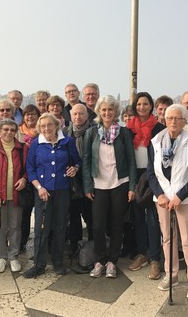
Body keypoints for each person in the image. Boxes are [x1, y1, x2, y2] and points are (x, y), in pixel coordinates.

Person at [147, 104, 188, 300]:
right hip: (163, 199)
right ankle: (171, 275)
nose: (173, 122)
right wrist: (160, 195)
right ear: (164, 119)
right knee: (167, 239)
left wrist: (180, 196)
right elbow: (151, 173)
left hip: (186, 199)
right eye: (169, 118)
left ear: (184, 121)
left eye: (177, 118)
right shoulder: (155, 142)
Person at [83, 96, 137, 279]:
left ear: (116, 112)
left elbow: (131, 161)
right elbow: (86, 161)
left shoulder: (123, 133)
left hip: (119, 184)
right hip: (98, 185)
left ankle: (112, 261)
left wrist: (131, 186)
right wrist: (87, 185)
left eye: (111, 110)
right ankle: (99, 260)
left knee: (117, 224)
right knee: (97, 225)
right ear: (99, 111)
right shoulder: (92, 133)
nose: (107, 113)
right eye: (104, 110)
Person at [24, 113, 81, 278]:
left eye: (49, 125)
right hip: (43, 192)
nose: (46, 129)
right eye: (43, 126)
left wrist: (75, 169)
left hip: (62, 191)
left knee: (60, 226)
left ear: (56, 125)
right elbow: (30, 169)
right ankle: (39, 264)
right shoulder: (36, 144)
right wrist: (39, 187)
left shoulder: (67, 142)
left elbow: (77, 161)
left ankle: (58, 261)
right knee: (42, 228)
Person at [126, 92, 165, 280]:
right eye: (139, 104)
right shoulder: (129, 128)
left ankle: (155, 258)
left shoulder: (159, 129)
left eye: (145, 104)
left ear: (151, 106)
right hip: (135, 176)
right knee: (138, 218)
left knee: (152, 219)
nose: (142, 107)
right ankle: (141, 252)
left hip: (152, 176)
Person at [0, 119, 28, 273]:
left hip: (16, 195)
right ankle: (1, 257)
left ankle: (13, 256)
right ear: (0, 130)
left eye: (12, 130)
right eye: (6, 129)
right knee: (0, 227)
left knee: (15, 226)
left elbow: (29, 168)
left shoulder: (22, 148)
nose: (9, 132)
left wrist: (24, 179)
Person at [64, 103, 94, 256]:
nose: (78, 117)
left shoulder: (94, 131)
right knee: (73, 215)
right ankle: (74, 244)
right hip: (72, 181)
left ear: (87, 115)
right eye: (75, 114)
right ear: (70, 116)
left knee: (91, 215)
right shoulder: (65, 133)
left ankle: (93, 245)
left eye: (81, 114)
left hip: (90, 180)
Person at [18, 104, 41, 252]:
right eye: (27, 114)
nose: (30, 117)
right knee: (24, 212)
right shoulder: (18, 133)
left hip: (40, 178)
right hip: (23, 177)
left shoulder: (43, 132)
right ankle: (22, 241)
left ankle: (42, 241)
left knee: (40, 212)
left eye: (33, 114)